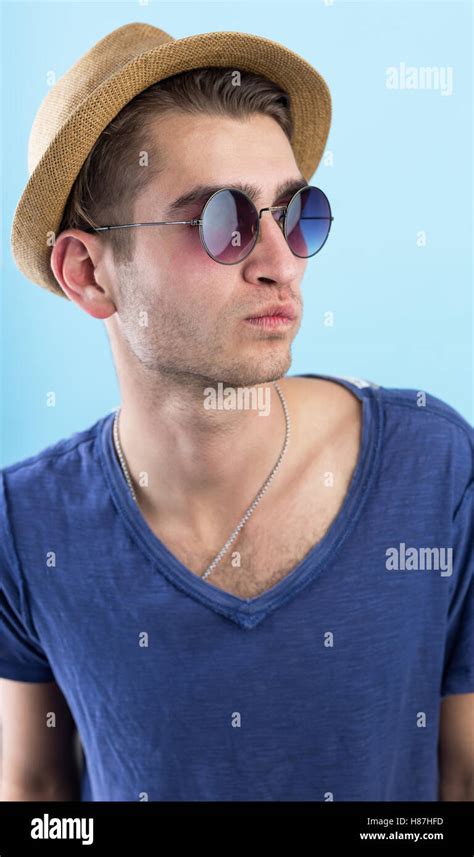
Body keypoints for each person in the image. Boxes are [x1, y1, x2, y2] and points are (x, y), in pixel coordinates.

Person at [1, 22, 472, 802]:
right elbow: (34, 788)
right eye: (223, 220)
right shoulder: (25, 529)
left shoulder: (438, 474)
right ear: (88, 272)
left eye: (296, 212)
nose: (283, 263)